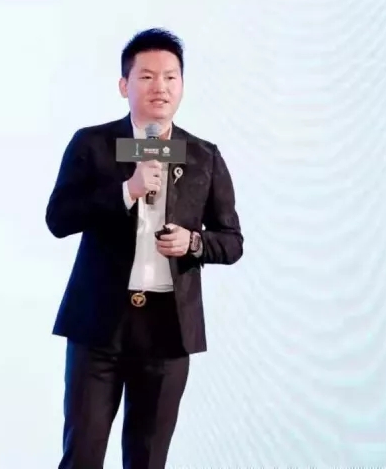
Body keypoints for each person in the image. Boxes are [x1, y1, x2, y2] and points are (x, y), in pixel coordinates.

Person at [45, 28, 244, 469]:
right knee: (82, 456)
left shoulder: (203, 156)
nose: (161, 87)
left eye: (171, 77)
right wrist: (127, 190)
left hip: (167, 330)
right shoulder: (93, 144)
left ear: (182, 86)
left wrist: (194, 243)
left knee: (148, 460)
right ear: (124, 85)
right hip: (98, 327)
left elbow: (232, 242)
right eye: (147, 77)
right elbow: (58, 219)